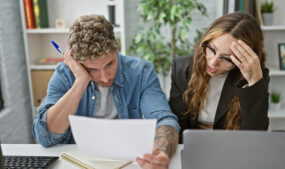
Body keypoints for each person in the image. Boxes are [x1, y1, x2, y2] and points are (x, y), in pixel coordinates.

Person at [32, 15, 179, 168]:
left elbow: (164, 119)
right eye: (92, 69)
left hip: (129, 162)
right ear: (77, 62)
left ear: (116, 47)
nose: (104, 78)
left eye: (109, 64)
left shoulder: (141, 72)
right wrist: (81, 81)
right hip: (77, 164)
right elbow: (45, 136)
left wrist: (162, 153)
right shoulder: (64, 74)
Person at [169, 12, 269, 143]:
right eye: (211, 49)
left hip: (231, 149)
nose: (213, 62)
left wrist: (254, 83)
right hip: (190, 147)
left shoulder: (254, 76)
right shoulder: (182, 68)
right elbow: (178, 124)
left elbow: (256, 137)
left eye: (226, 58)